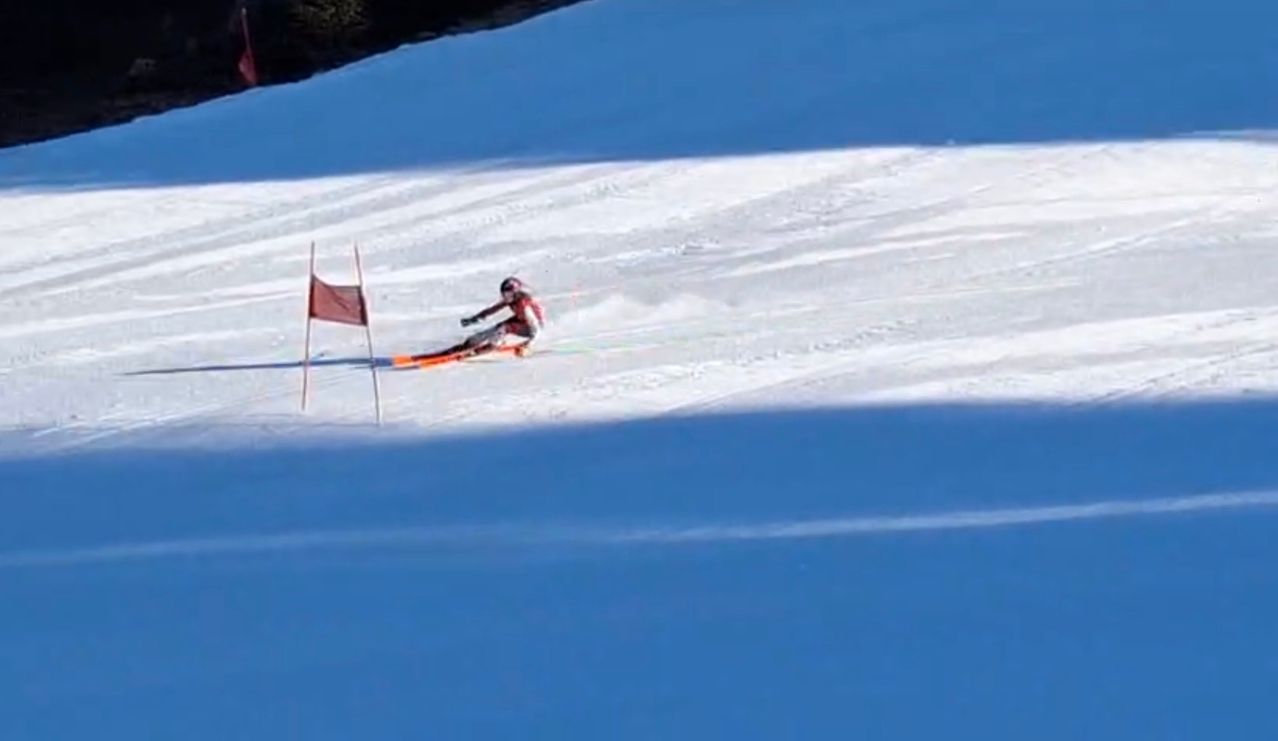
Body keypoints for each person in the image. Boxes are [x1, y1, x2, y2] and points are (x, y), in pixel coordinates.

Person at [426, 277, 545, 360]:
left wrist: (528, 345)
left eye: (507, 294)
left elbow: (536, 326)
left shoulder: (524, 304)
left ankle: (492, 346)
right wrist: (474, 319)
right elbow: (492, 310)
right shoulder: (513, 300)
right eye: (504, 294)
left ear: (515, 293)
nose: (505, 297)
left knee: (503, 328)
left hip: (531, 329)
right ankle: (470, 343)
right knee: (497, 328)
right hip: (521, 322)